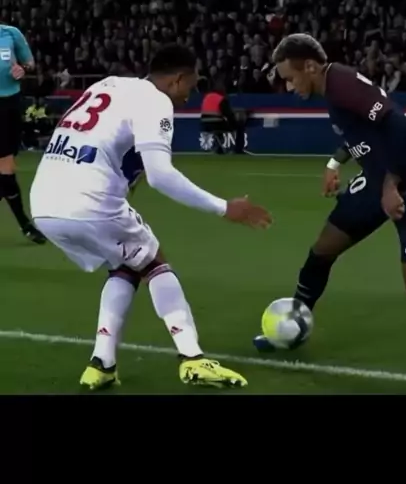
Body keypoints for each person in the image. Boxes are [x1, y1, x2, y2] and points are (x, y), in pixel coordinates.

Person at [29, 45, 272, 390]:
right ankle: (192, 358)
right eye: (191, 86)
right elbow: (161, 176)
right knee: (154, 261)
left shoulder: (107, 85)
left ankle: (102, 364)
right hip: (89, 202)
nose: (189, 96)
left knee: (126, 264)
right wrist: (224, 207)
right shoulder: (156, 101)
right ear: (177, 79)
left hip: (43, 202)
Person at [254, 32, 406, 351]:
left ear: (310, 67)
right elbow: (361, 132)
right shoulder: (333, 88)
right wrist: (335, 163)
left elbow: (398, 125)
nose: (289, 87)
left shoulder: (341, 83)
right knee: (322, 251)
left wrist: (391, 184)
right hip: (378, 180)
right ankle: (290, 326)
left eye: (290, 79)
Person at [0, 23, 45, 243]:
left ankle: (25, 225)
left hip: (10, 104)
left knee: (6, 168)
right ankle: (25, 225)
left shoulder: (11, 33)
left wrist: (22, 69)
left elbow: (30, 62)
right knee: (5, 169)